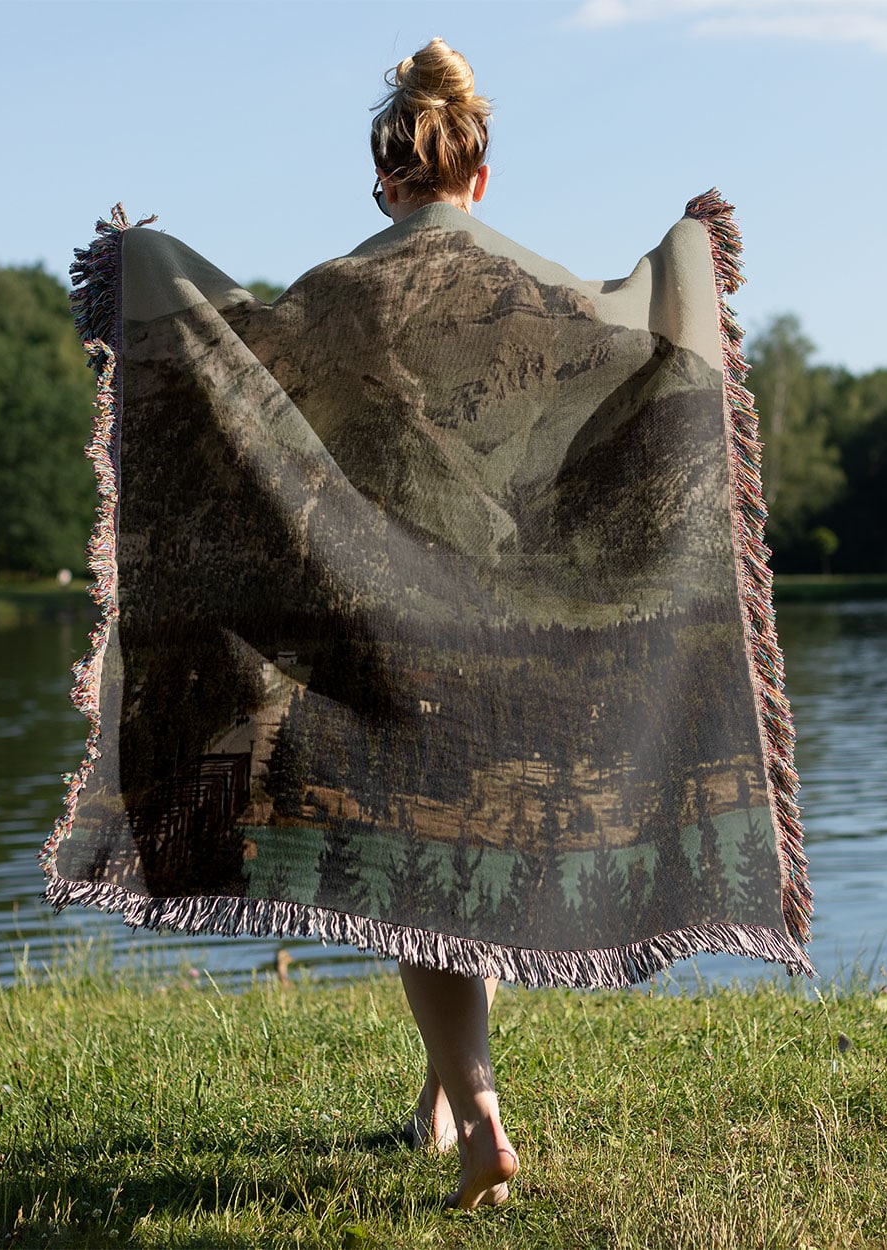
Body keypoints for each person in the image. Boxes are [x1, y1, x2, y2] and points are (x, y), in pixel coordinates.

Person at [368, 37, 519, 1212]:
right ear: (477, 175)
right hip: (512, 621)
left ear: (386, 180)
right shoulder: (532, 289)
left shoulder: (343, 288)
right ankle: (434, 1100)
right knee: (464, 863)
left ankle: (478, 1116)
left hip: (390, 618)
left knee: (416, 878)